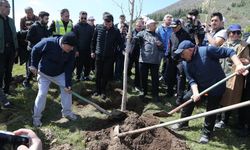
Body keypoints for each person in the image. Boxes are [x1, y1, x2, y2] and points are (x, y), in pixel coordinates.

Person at [170, 40, 248, 144]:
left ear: (190, 49)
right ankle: (183, 123)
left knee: (211, 109)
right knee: (187, 98)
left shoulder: (207, 50)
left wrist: (238, 64)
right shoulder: (185, 63)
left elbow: (229, 52)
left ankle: (206, 133)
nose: (182, 56)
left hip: (216, 86)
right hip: (201, 86)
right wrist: (196, 92)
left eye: (183, 53)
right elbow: (191, 80)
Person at [30, 32, 78, 127]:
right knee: (42, 93)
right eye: (70, 47)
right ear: (64, 43)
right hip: (44, 73)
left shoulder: (72, 50)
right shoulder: (49, 42)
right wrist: (33, 65)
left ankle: (67, 112)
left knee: (67, 91)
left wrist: (68, 84)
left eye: (73, 47)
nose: (72, 49)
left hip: (60, 73)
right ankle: (36, 117)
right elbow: (35, 49)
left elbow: (69, 68)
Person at [215, 24, 250, 128]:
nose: (236, 35)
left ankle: (224, 120)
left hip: (234, 75)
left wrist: (237, 60)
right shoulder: (225, 44)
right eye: (233, 32)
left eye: (238, 33)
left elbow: (248, 60)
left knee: (230, 98)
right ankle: (216, 117)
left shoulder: (243, 46)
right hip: (221, 73)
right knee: (219, 96)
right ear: (229, 33)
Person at [91, 12, 124, 100]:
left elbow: (120, 43)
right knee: (98, 73)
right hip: (99, 55)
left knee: (105, 74)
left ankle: (103, 91)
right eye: (105, 23)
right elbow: (93, 40)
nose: (107, 25)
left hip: (109, 57)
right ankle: (97, 90)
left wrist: (123, 48)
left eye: (109, 24)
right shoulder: (98, 28)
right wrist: (92, 51)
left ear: (112, 22)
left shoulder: (116, 31)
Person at [135, 19, 164, 102]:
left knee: (155, 79)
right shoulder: (142, 33)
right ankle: (144, 93)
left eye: (155, 24)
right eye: (153, 24)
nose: (155, 26)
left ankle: (155, 95)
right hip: (143, 60)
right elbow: (135, 40)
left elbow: (162, 47)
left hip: (155, 61)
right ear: (148, 26)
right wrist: (132, 38)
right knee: (143, 78)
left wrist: (160, 45)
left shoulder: (158, 35)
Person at [23, 11, 50, 88]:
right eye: (46, 18)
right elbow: (28, 37)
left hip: (42, 50)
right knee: (32, 66)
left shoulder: (44, 27)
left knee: (40, 66)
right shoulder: (34, 26)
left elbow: (47, 36)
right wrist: (40, 39)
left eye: (48, 19)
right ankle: (26, 81)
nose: (47, 20)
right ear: (40, 18)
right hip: (33, 49)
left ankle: (40, 80)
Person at [169, 19, 192, 106]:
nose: (173, 29)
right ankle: (169, 92)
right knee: (170, 76)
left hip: (181, 60)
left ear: (179, 25)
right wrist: (168, 55)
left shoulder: (186, 34)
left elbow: (189, 46)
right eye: (172, 27)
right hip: (172, 58)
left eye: (175, 27)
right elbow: (170, 45)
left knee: (180, 78)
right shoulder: (172, 34)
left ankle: (179, 98)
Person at [0, 0, 18, 108]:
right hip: (1, 51)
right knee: (1, 71)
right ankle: (1, 94)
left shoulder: (11, 20)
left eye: (10, 7)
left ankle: (7, 90)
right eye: (7, 6)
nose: (9, 9)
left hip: (10, 50)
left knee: (9, 71)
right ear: (0, 7)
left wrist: (16, 49)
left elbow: (14, 35)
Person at [73, 11, 94, 81]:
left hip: (88, 50)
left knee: (88, 64)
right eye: (82, 18)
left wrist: (92, 51)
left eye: (85, 18)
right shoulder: (76, 27)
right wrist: (75, 50)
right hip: (79, 50)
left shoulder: (90, 27)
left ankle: (86, 76)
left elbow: (92, 40)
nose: (83, 19)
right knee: (79, 65)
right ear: (79, 17)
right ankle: (78, 77)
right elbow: (74, 40)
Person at [156, 14, 173, 95]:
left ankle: (165, 80)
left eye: (170, 19)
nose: (169, 20)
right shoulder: (159, 28)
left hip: (169, 51)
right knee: (157, 65)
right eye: (168, 19)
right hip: (159, 50)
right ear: (164, 20)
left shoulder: (172, 29)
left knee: (167, 66)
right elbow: (155, 37)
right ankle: (156, 79)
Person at [128, 20, 144, 91]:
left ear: (142, 26)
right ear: (135, 25)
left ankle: (137, 85)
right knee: (128, 67)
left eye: (140, 26)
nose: (139, 27)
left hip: (140, 54)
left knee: (138, 70)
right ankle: (126, 80)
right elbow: (128, 41)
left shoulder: (144, 33)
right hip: (130, 53)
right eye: (137, 26)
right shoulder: (131, 32)